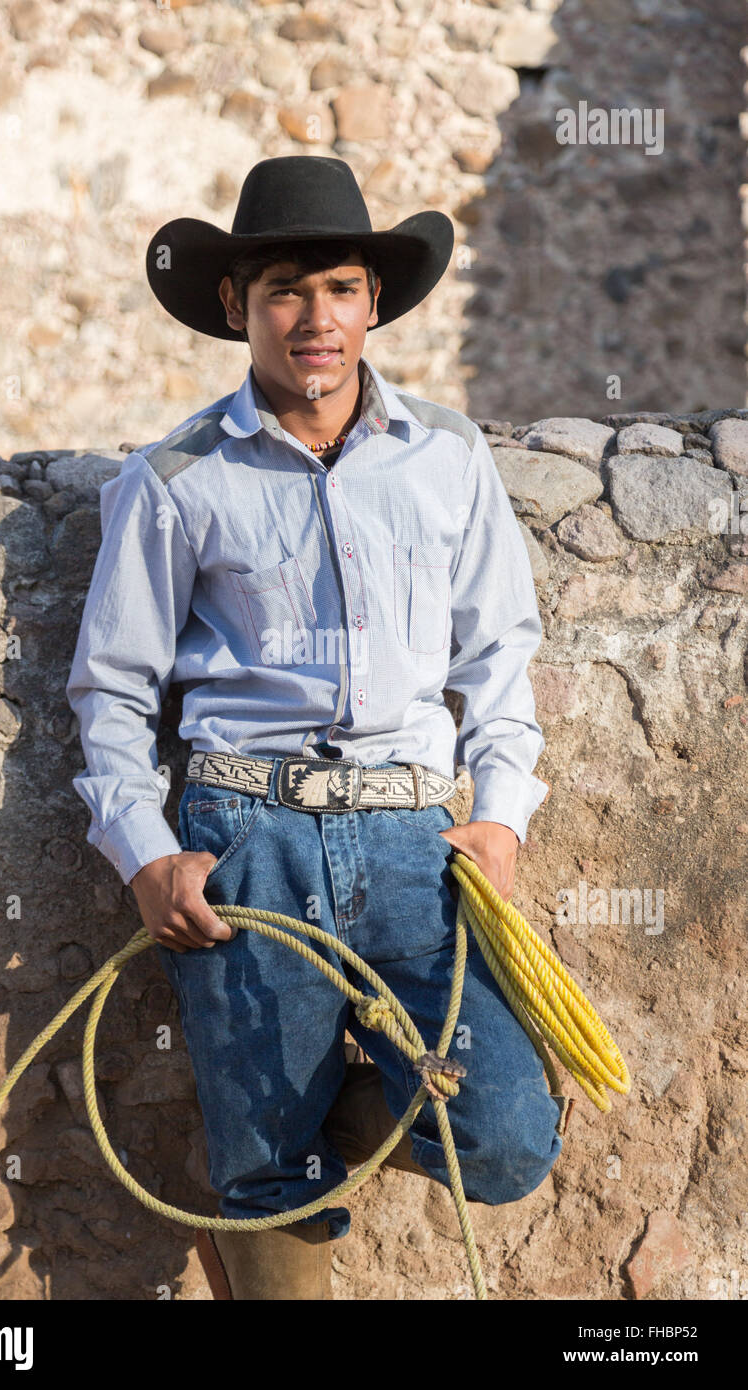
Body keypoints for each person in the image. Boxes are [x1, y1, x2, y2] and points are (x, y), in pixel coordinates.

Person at [65, 156, 562, 1301]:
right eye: (285, 289)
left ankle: (310, 1091)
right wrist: (146, 855)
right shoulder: (174, 479)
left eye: (340, 287)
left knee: (501, 1136)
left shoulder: (446, 458)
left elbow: (497, 658)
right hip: (246, 839)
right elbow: (112, 692)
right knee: (265, 1177)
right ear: (237, 306)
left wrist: (498, 821)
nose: (316, 318)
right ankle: (262, 1177)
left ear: (374, 302)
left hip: (410, 849)